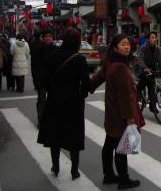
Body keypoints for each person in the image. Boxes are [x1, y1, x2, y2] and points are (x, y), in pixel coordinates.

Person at [37, 28, 92, 180]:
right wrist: (83, 93)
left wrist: (54, 90)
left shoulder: (52, 56)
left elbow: (44, 81)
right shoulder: (79, 59)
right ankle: (74, 170)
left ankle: (55, 166)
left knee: (55, 134)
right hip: (74, 102)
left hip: (54, 100)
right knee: (74, 136)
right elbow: (85, 83)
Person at [92, 34, 143, 189]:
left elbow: (98, 78)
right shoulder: (120, 67)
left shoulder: (111, 62)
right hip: (120, 114)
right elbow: (124, 96)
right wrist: (129, 118)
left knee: (109, 145)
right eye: (123, 44)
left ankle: (108, 175)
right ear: (115, 47)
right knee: (122, 147)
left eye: (128, 44)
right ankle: (123, 180)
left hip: (112, 112)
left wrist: (86, 87)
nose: (127, 47)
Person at [31, 29, 56, 127]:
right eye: (46, 36)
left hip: (53, 80)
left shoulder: (56, 49)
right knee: (41, 100)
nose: (48, 38)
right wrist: (35, 81)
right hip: (41, 80)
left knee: (53, 101)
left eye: (49, 36)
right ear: (43, 37)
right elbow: (34, 66)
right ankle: (41, 122)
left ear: (52, 38)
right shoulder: (37, 50)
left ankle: (52, 120)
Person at [136, 31, 161, 113]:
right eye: (152, 37)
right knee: (144, 81)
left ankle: (153, 107)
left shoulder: (157, 49)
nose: (154, 39)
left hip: (152, 69)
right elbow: (139, 58)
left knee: (152, 88)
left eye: (155, 37)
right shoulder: (143, 47)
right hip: (142, 68)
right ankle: (138, 94)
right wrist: (144, 67)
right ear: (148, 39)